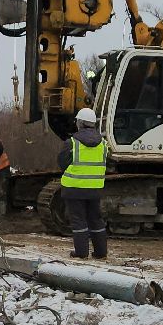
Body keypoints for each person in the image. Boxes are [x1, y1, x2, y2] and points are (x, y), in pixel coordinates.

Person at [60, 107, 108, 260]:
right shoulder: (104, 144)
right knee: (96, 219)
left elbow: (62, 162)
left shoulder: (72, 142)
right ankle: (101, 252)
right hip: (94, 189)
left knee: (78, 219)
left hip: (74, 188)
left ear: (79, 123)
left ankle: (81, 252)